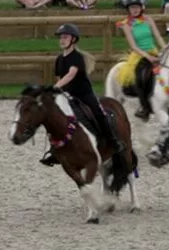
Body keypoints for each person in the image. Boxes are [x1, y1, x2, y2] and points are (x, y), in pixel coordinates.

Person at [42, 23, 117, 165]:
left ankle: (112, 141)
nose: (62, 40)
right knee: (53, 117)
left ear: (73, 40)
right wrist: (58, 91)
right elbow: (59, 78)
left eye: (65, 37)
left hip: (83, 94)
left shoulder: (76, 57)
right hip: (67, 95)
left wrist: (55, 87)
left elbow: (70, 75)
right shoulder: (59, 59)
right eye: (61, 38)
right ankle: (54, 150)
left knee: (98, 113)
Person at [115, 0, 166, 120]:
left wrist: (164, 49)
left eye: (137, 7)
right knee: (141, 76)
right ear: (128, 10)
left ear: (141, 8)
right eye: (132, 8)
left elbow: (158, 37)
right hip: (139, 54)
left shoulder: (148, 19)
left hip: (154, 51)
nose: (135, 10)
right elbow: (133, 46)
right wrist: (148, 57)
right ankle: (144, 107)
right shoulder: (126, 24)